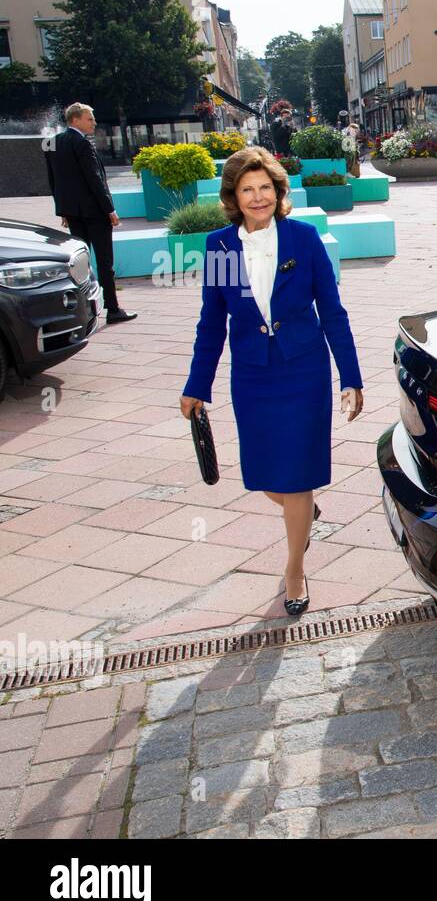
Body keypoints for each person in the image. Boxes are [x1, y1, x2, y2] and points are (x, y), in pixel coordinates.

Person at [178, 146, 365, 617]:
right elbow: (211, 322)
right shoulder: (219, 246)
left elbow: (333, 312)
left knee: (298, 477)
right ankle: (300, 512)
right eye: (247, 190)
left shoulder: (304, 239)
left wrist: (351, 375)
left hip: (302, 370)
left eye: (265, 188)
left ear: (278, 191)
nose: (258, 197)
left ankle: (294, 569)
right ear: (234, 197)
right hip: (254, 376)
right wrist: (196, 385)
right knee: (264, 476)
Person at [44, 103, 137, 324]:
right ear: (75, 120)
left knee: (80, 263)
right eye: (90, 119)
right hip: (95, 212)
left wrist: (63, 211)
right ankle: (113, 309)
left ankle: (84, 312)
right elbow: (95, 180)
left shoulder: (52, 143)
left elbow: (53, 180)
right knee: (105, 262)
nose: (94, 122)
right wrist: (110, 210)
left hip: (73, 213)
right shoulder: (82, 144)